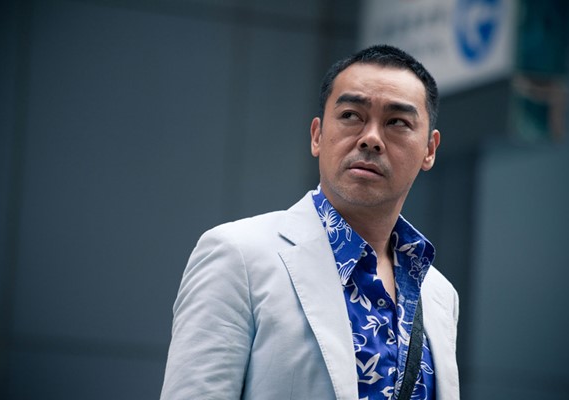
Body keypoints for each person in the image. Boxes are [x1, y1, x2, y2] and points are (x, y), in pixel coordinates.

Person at [160, 44, 459, 400]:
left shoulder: (439, 294)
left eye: (397, 122)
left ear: (429, 150)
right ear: (317, 136)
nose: (371, 138)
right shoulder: (238, 258)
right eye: (351, 115)